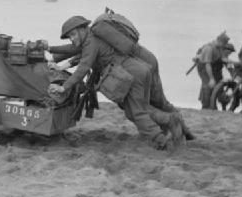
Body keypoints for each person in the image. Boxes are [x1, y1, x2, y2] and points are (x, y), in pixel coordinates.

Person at [47, 16, 184, 151]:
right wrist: (50, 48)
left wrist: (63, 87)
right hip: (139, 70)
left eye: (73, 34)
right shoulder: (91, 38)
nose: (72, 38)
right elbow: (72, 49)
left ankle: (162, 138)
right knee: (135, 111)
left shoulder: (90, 43)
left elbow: (82, 68)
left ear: (83, 29)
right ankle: (168, 122)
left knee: (137, 113)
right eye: (69, 36)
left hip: (132, 74)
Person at [195, 32, 232, 109]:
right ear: (219, 41)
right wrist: (211, 78)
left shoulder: (219, 48)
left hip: (214, 68)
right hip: (204, 68)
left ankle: (213, 105)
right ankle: (206, 106)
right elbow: (207, 64)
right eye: (223, 43)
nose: (223, 46)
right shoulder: (209, 48)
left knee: (217, 84)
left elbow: (223, 59)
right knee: (208, 85)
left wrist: (236, 63)